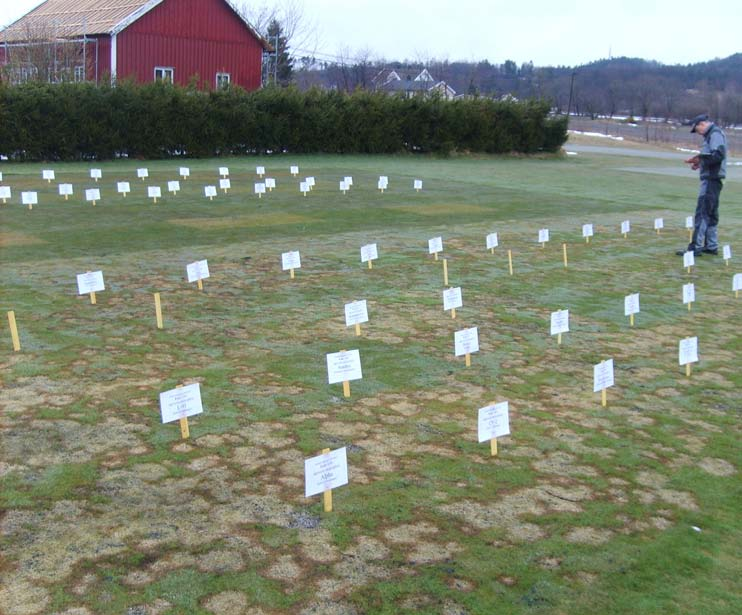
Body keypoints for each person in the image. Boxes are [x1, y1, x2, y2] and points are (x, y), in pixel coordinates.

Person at [677, 114, 727, 256]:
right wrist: (700, 162)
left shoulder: (715, 134)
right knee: (711, 214)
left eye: (697, 129)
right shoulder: (713, 134)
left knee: (702, 213)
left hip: (712, 179)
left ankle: (695, 248)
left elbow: (718, 155)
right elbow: (713, 156)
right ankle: (711, 246)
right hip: (714, 178)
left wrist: (700, 160)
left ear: (702, 124)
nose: (698, 132)